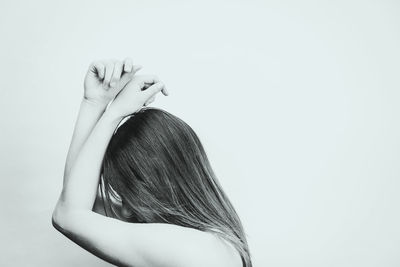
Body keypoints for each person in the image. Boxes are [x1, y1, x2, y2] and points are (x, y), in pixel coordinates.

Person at [52, 58, 252, 267]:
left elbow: (69, 216)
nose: (124, 209)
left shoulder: (196, 250)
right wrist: (94, 102)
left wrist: (114, 113)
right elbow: (76, 203)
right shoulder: (211, 242)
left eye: (128, 193)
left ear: (157, 183)